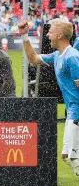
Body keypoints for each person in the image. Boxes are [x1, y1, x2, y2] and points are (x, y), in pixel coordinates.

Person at [19, 19, 79, 176]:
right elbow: (33, 59)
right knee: (68, 156)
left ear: (60, 35)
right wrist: (24, 36)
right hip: (72, 111)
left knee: (73, 157)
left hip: (77, 113)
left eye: (50, 32)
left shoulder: (72, 57)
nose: (47, 35)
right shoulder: (58, 56)